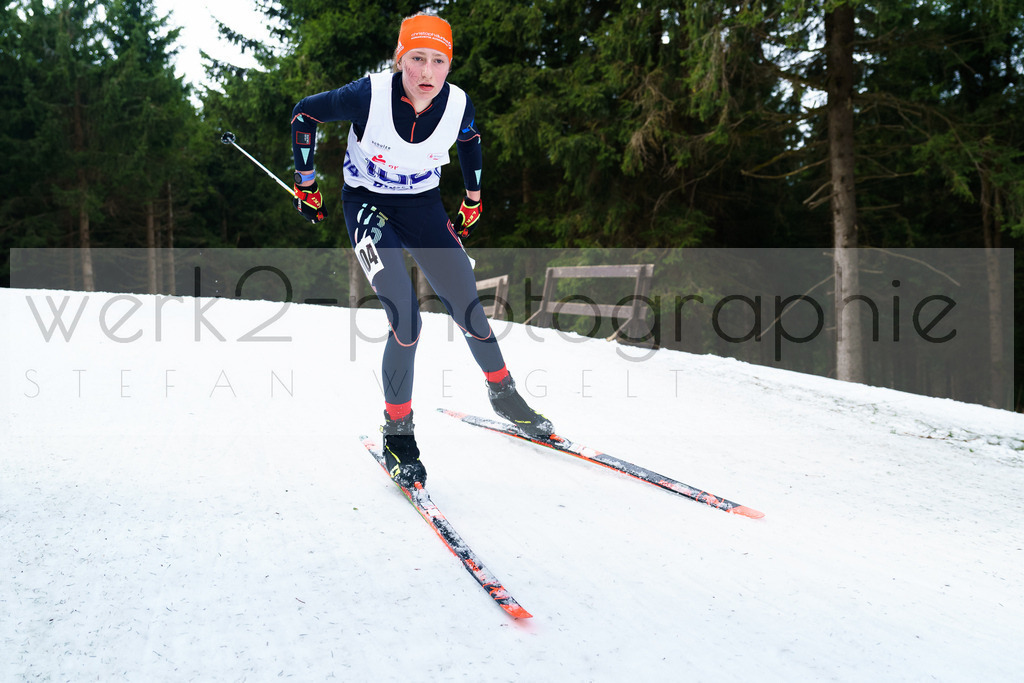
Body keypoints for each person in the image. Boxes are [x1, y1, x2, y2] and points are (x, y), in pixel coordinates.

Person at [289, 13, 553, 488]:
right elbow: (305, 112)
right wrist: (305, 183)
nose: (427, 73)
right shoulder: (368, 94)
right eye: (416, 60)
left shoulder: (458, 104)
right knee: (405, 318)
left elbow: (470, 140)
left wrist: (473, 199)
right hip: (367, 205)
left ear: (448, 65)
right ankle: (398, 432)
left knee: (466, 302)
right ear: (399, 59)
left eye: (438, 61)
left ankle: (503, 392)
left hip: (422, 205)